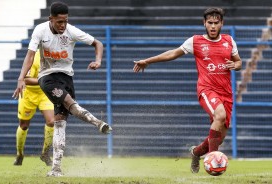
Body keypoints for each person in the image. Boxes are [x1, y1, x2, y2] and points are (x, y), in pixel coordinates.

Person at [133, 7, 242, 174]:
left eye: (216, 23)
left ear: (222, 23)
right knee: (219, 115)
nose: (213, 26)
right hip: (207, 89)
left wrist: (236, 65)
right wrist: (147, 61)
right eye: (210, 23)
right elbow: (173, 53)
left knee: (219, 138)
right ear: (204, 23)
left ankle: (196, 152)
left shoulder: (229, 41)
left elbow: (238, 61)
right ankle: (212, 158)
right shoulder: (196, 41)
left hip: (225, 92)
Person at [12, 1, 112, 177]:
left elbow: (98, 43)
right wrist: (21, 77)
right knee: (68, 102)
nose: (63, 25)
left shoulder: (71, 30)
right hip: (47, 78)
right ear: (51, 19)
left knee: (59, 124)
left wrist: (98, 61)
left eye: (65, 21)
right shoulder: (40, 30)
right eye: (59, 21)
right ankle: (97, 123)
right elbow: (30, 55)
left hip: (66, 78)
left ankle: (56, 169)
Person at [13, 50, 54, 166]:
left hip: (44, 94)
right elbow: (26, 79)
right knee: (24, 125)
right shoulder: (34, 57)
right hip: (28, 94)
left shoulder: (57, 56)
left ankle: (45, 154)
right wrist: (45, 81)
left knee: (52, 121)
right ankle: (19, 154)